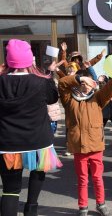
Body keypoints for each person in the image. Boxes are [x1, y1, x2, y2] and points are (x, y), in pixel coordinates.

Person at [0, 39, 62, 216]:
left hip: (7, 144)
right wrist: (49, 74)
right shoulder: (40, 82)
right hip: (37, 140)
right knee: (37, 173)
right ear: (30, 60)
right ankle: (31, 209)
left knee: (10, 190)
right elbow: (52, 99)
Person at [58, 67, 112, 216]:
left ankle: (100, 203)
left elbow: (110, 88)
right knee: (82, 179)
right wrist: (79, 78)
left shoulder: (98, 97)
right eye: (83, 82)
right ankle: (83, 206)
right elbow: (62, 83)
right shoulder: (68, 98)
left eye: (88, 82)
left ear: (94, 84)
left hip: (96, 145)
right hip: (79, 147)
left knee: (97, 177)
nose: (85, 86)